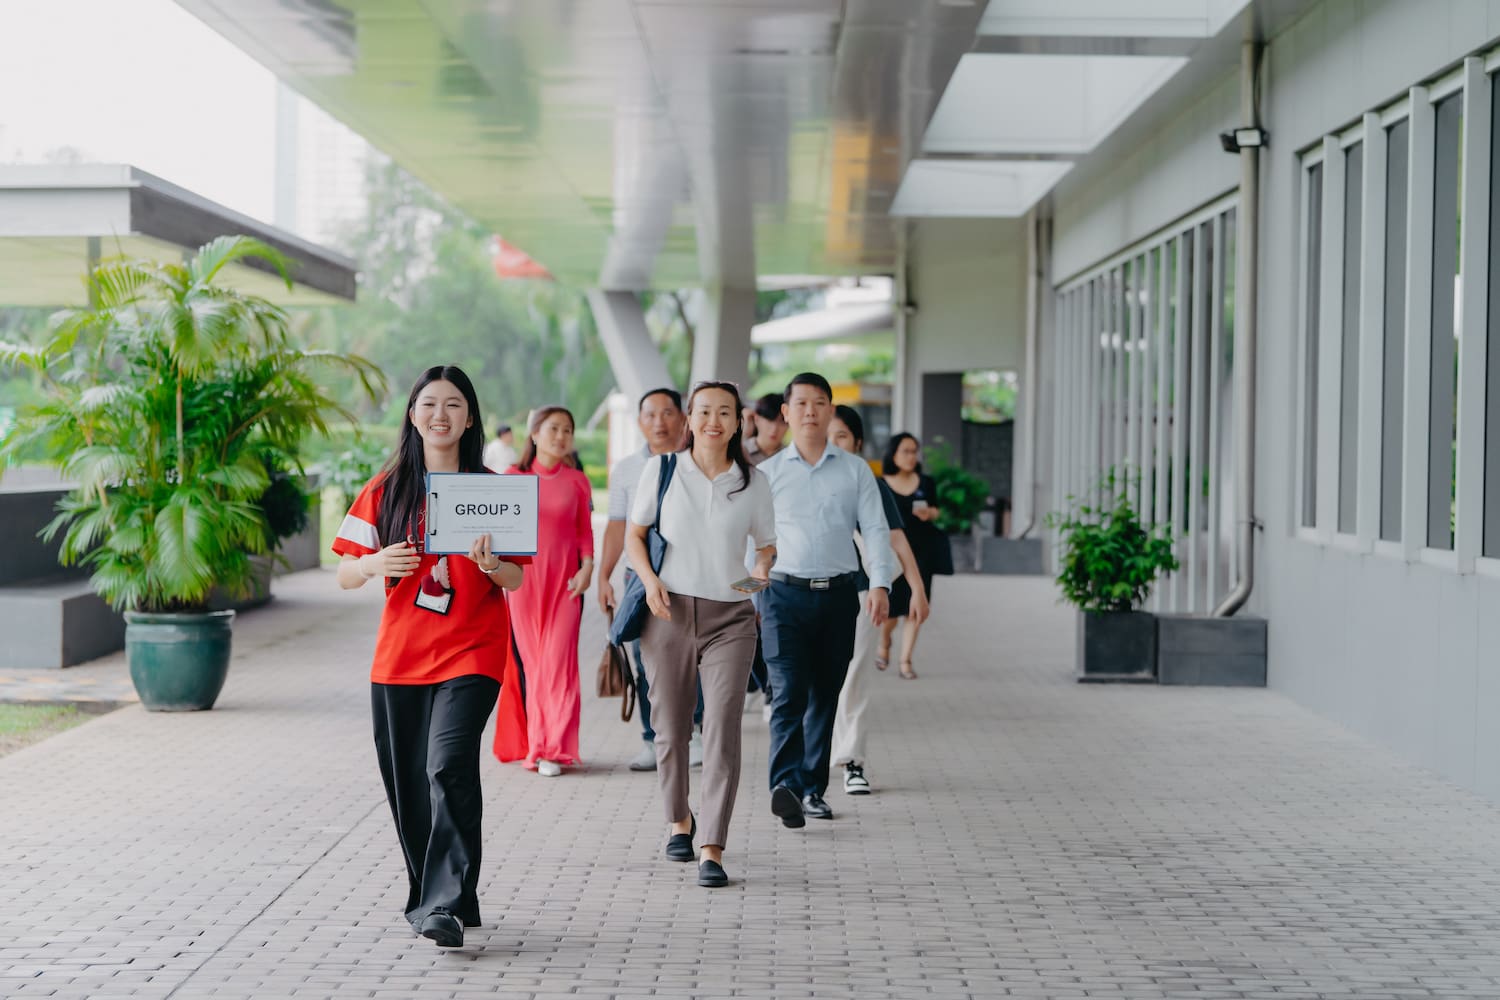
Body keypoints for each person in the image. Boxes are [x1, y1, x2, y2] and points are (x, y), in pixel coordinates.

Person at [332, 365, 526, 950]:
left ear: (470, 418)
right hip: (400, 659)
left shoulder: (495, 491)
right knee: (410, 782)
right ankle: (443, 898)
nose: (440, 415)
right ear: (413, 414)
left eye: (454, 404)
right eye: (428, 403)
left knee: (448, 765)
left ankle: (441, 900)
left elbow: (516, 579)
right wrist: (371, 565)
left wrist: (492, 565)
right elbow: (344, 571)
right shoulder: (385, 490)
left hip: (473, 652)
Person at [628, 380, 776, 887]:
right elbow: (635, 533)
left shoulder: (753, 481)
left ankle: (712, 845)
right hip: (666, 611)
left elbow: (766, 547)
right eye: (704, 411)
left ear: (739, 422)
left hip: (730, 620)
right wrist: (648, 582)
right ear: (690, 419)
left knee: (722, 726)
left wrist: (749, 582)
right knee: (669, 729)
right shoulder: (664, 469)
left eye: (725, 412)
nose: (714, 420)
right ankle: (679, 820)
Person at [758, 373, 895, 827]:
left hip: (838, 597)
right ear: (786, 412)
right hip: (781, 595)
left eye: (820, 403)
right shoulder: (768, 474)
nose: (810, 412)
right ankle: (786, 785)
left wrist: (880, 584)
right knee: (788, 693)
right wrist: (749, 592)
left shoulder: (855, 470)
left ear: (830, 410)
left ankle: (813, 789)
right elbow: (751, 538)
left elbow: (875, 530)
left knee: (824, 697)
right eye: (801, 403)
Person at [598, 388, 705, 772]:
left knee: (692, 659)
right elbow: (616, 526)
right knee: (647, 663)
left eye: (667, 413)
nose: (659, 422)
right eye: (650, 414)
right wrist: (604, 575)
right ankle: (650, 739)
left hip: (691, 576)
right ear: (640, 421)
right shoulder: (627, 468)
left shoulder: (697, 463)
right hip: (640, 578)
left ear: (682, 418)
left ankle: (693, 733)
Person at [827, 406, 929, 796]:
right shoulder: (797, 476)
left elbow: (896, 539)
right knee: (816, 677)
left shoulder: (867, 481)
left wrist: (917, 589)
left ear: (856, 442)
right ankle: (812, 757)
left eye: (841, 436)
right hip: (806, 591)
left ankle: (852, 760)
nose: (833, 442)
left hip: (861, 592)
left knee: (853, 674)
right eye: (828, 434)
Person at [493, 405, 594, 776]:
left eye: (568, 429)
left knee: (559, 664)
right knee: (534, 666)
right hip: (523, 584)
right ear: (534, 434)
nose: (561, 436)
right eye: (553, 428)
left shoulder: (577, 481)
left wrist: (588, 570)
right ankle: (536, 744)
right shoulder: (511, 478)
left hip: (566, 584)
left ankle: (555, 749)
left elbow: (584, 534)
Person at [879, 432, 943, 680]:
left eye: (914, 451)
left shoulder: (926, 483)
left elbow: (937, 509)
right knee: (892, 612)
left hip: (921, 553)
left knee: (915, 608)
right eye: (905, 451)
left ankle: (906, 660)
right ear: (893, 454)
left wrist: (930, 513)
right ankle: (884, 643)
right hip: (892, 557)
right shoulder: (880, 483)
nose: (911, 456)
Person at [742, 392, 788, 466]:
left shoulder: (791, 456)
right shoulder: (740, 452)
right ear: (756, 419)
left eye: (782, 422)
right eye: (770, 420)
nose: (774, 429)